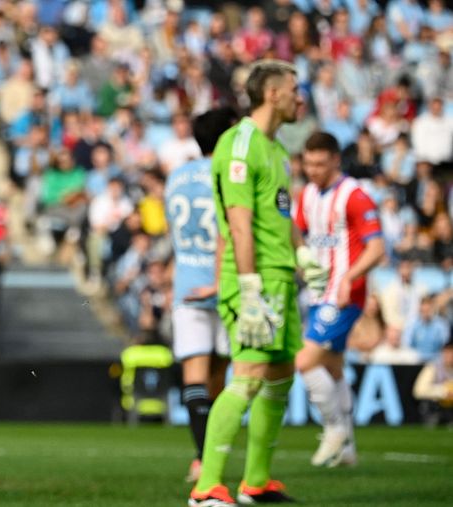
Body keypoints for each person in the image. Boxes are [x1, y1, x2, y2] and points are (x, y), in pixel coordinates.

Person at [190, 60, 323, 506]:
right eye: (293, 89)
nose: (299, 98)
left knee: (282, 374)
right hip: (255, 279)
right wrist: (248, 288)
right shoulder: (240, 144)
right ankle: (206, 487)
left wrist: (303, 253)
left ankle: (255, 482)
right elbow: (239, 225)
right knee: (247, 376)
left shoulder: (278, 149)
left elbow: (283, 217)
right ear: (271, 93)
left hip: (281, 278)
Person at [294, 132, 385, 468]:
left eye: (320, 163)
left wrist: (349, 277)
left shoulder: (356, 196)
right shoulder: (307, 194)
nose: (313, 170)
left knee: (305, 361)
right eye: (308, 163)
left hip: (345, 294)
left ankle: (333, 429)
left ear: (335, 159)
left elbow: (377, 249)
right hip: (318, 293)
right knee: (332, 367)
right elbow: (298, 234)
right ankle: (348, 447)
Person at [164, 108, 237, 483]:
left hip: (186, 282)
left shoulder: (176, 177)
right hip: (225, 281)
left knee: (194, 374)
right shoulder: (230, 173)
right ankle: (211, 456)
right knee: (221, 374)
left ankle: (200, 457)